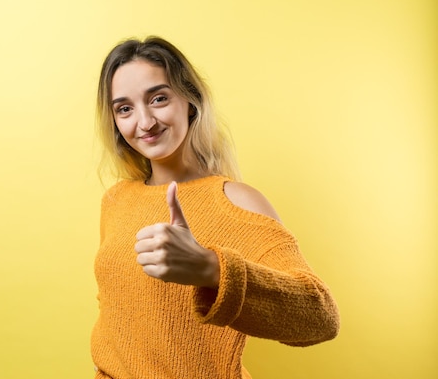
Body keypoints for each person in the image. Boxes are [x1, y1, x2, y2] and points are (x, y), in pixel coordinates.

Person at [91, 36, 339, 379]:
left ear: (189, 101)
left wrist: (212, 269)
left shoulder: (237, 201)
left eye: (159, 99)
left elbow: (320, 317)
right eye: (125, 108)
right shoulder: (116, 200)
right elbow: (117, 312)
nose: (145, 122)